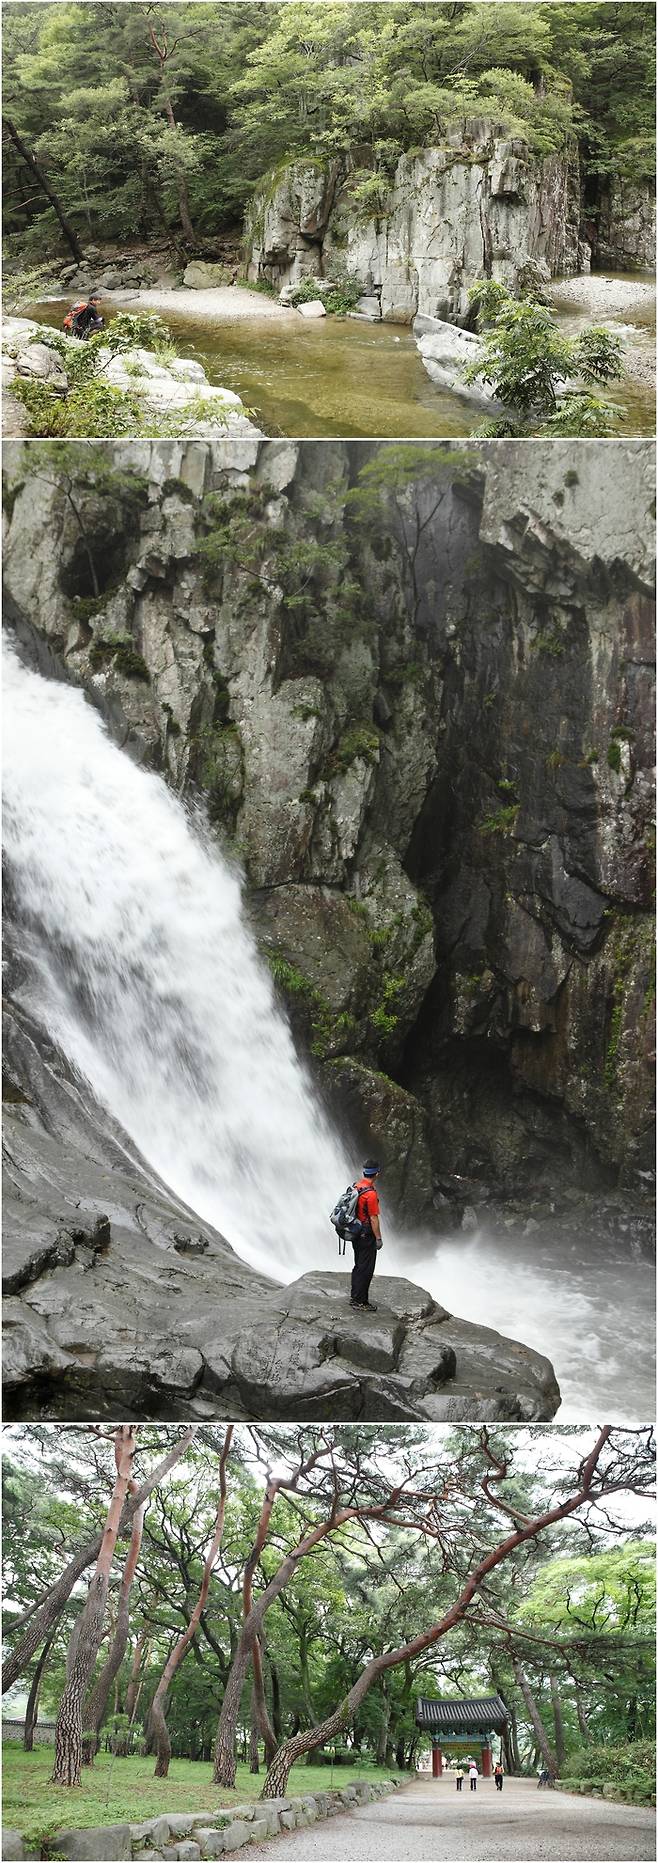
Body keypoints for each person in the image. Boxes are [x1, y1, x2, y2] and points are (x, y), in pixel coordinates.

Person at [350, 1159, 382, 1311]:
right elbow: (374, 1219)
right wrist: (378, 1238)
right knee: (367, 1268)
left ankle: (355, 1296)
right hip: (366, 1235)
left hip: (355, 1232)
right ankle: (360, 1301)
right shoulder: (370, 1194)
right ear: (376, 1174)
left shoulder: (356, 1187)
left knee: (359, 1265)